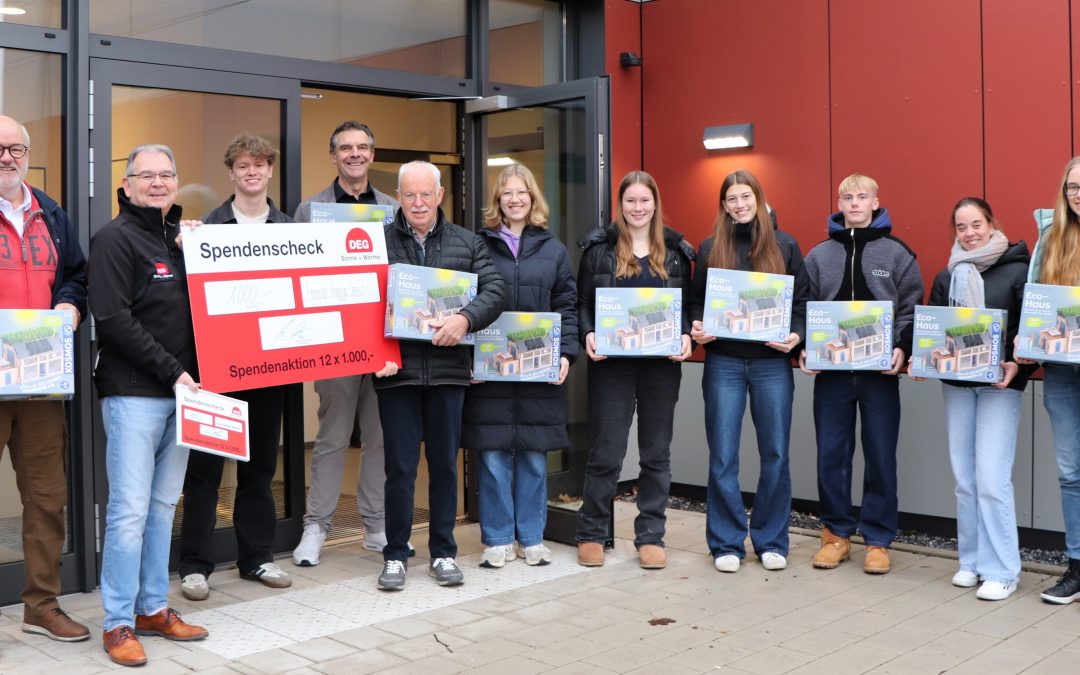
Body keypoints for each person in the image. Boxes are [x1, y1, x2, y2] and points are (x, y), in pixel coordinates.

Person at [89, 144, 208, 667]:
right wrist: (174, 371)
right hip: (135, 394)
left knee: (162, 507)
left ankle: (153, 608)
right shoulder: (113, 239)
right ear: (128, 184)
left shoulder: (180, 239)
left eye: (166, 174)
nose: (157, 183)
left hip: (183, 395)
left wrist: (198, 251)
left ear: (176, 181)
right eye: (146, 175)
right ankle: (117, 622)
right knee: (129, 511)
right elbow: (114, 319)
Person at [375, 160, 506, 590]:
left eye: (425, 194)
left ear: (440, 195)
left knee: (446, 468)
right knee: (399, 469)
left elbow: (495, 291)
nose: (418, 203)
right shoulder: (378, 243)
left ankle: (443, 553)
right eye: (409, 195)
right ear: (398, 197)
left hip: (449, 374)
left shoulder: (467, 242)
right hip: (397, 373)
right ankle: (395, 555)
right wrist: (375, 354)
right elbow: (361, 302)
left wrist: (465, 319)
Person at [177, 134, 292, 601]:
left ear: (270, 170)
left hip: (268, 369)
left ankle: (257, 558)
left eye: (259, 164)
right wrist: (184, 244)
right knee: (204, 470)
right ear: (231, 173)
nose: (251, 172)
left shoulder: (290, 230)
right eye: (243, 165)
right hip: (215, 369)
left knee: (259, 468)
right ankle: (194, 566)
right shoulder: (206, 229)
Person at [800, 173, 923, 575]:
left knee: (880, 456)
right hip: (832, 375)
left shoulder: (898, 254)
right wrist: (806, 348)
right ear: (839, 204)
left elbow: (911, 308)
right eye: (848, 197)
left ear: (875, 202)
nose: (854, 203)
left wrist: (902, 346)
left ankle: (878, 540)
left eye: (862, 196)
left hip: (879, 376)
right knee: (831, 455)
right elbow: (804, 308)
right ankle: (835, 535)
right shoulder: (818, 255)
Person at [292, 121, 402, 566]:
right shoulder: (311, 210)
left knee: (379, 438)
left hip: (384, 341)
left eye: (361, 147)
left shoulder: (393, 209)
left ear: (372, 154)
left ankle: (375, 526)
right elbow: (295, 273)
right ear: (333, 155)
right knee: (333, 437)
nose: (354, 154)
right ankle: (316, 526)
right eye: (345, 148)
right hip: (334, 340)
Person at [689, 170, 808, 573]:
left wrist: (797, 335)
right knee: (723, 456)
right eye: (731, 199)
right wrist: (698, 326)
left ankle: (771, 541)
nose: (739, 205)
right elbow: (695, 302)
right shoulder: (710, 247)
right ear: (723, 206)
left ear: (758, 198)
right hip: (723, 362)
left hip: (772, 364)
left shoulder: (785, 244)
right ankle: (726, 543)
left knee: (775, 454)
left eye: (745, 197)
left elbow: (801, 302)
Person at [912, 197, 1030, 601]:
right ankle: (972, 561)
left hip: (1000, 386)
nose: (969, 233)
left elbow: (1027, 331)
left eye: (976, 224)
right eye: (961, 227)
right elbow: (934, 329)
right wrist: (924, 359)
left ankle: (1003, 571)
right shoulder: (949, 274)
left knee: (992, 479)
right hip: (958, 386)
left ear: (991, 223)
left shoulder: (1017, 269)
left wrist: (1017, 365)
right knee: (965, 480)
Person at [575, 171, 694, 570]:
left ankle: (651, 536)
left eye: (644, 200)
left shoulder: (677, 253)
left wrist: (685, 336)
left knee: (656, 453)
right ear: (620, 205)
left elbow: (688, 307)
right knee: (606, 451)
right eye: (630, 201)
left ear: (655, 203)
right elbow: (582, 303)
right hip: (612, 367)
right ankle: (592, 533)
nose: (638, 208)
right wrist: (589, 333)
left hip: (661, 367)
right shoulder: (598, 251)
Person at [462, 163, 578, 569]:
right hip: (490, 372)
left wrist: (565, 354)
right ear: (498, 200)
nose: (514, 199)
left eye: (521, 192)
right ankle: (497, 540)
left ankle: (531, 538)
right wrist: (468, 358)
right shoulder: (477, 246)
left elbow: (567, 306)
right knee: (492, 457)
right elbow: (464, 305)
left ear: (533, 198)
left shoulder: (554, 250)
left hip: (536, 371)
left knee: (533, 456)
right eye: (507, 192)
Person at [0, 115, 89, 643]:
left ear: (28, 154)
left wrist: (69, 307)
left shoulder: (51, 213)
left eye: (15, 148)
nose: (6, 157)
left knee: (46, 498)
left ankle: (41, 605)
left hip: (37, 381)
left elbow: (75, 276)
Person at [1024, 157, 1080, 605]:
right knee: (1070, 472)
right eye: (1072, 188)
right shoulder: (1051, 238)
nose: (1077, 195)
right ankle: (1077, 567)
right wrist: (1026, 339)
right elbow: (1035, 300)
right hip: (1062, 373)